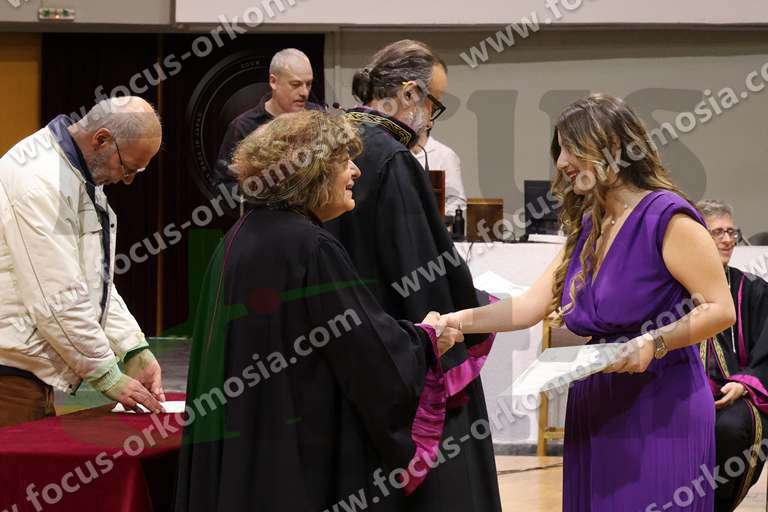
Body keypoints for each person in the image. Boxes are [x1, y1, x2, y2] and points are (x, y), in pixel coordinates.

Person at [443, 94, 737, 511]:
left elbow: (720, 309)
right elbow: (527, 307)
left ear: (613, 147)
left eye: (571, 148)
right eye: (559, 150)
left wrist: (654, 342)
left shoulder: (667, 216)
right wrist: (454, 320)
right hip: (596, 400)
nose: (562, 161)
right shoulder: (589, 224)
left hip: (661, 403)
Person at [175, 110, 475, 511]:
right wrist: (426, 339)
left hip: (244, 450)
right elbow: (366, 351)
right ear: (312, 170)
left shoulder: (238, 238)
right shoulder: (311, 247)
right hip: (294, 461)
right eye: (344, 160)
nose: (355, 171)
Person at [327, 40, 502, 512]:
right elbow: (423, 270)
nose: (431, 119)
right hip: (396, 344)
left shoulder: (331, 142)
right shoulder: (392, 157)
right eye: (434, 104)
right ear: (408, 93)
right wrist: (474, 306)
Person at [0, 97, 166, 427]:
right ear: (101, 139)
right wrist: (106, 374)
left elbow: (91, 281)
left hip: (28, 375)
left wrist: (132, 347)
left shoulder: (76, 173)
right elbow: (57, 296)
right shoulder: (39, 179)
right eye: (128, 167)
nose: (128, 180)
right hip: (9, 380)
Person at [698, 199, 768, 512]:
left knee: (729, 427)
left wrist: (744, 382)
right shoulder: (675, 288)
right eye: (718, 232)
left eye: (731, 232)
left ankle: (716, 506)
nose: (728, 239)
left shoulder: (753, 289)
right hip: (683, 392)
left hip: (740, 395)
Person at [214, 48, 320, 192]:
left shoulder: (318, 117)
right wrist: (262, 191)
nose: (304, 92)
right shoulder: (243, 127)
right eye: (295, 84)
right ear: (273, 81)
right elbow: (223, 188)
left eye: (308, 84)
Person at [412, 129, 467, 216]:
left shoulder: (445, 155)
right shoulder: (396, 152)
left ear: (429, 123)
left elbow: (456, 200)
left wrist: (437, 219)